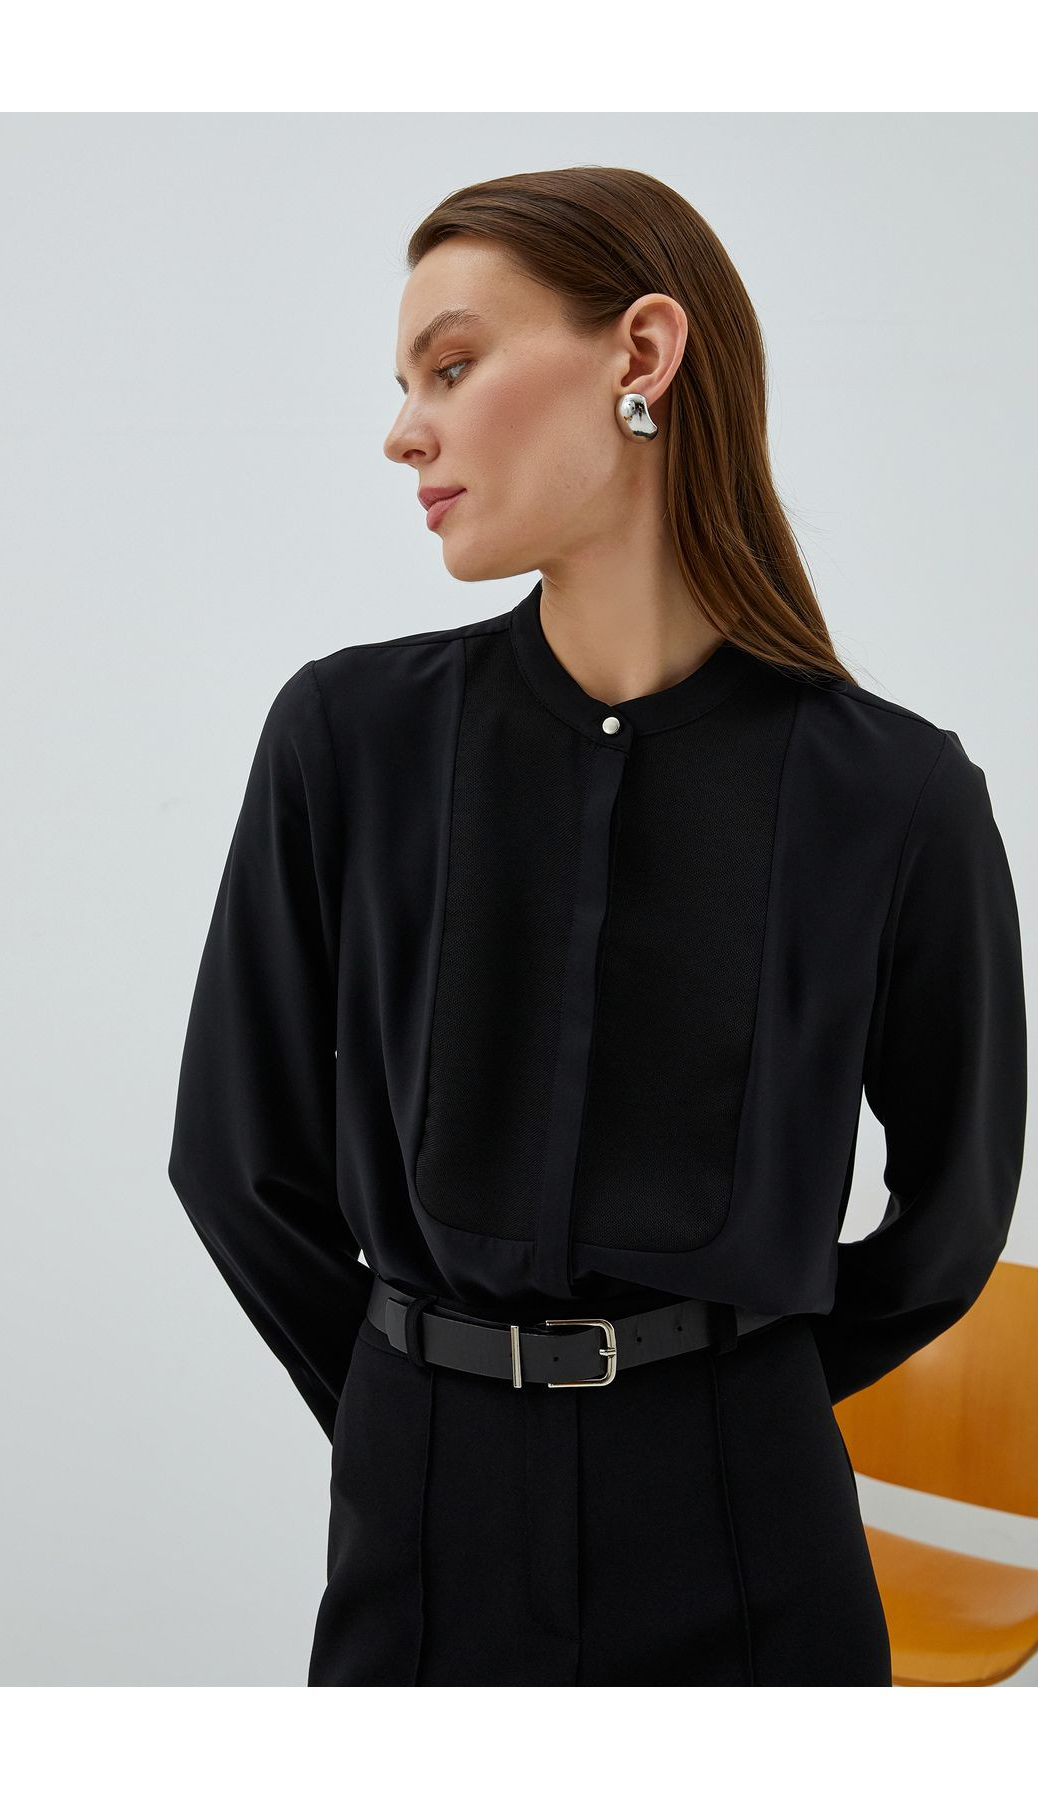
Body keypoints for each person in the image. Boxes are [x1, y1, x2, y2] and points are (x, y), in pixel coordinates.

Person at [167, 166, 1028, 1686]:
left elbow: (951, 1218)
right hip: (421, 1518)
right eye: (405, 386)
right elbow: (236, 1161)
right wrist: (410, 1413)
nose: (404, 432)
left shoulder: (895, 793)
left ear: (642, 353)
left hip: (749, 1525)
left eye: (452, 365)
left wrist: (731, 1407)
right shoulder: (346, 738)